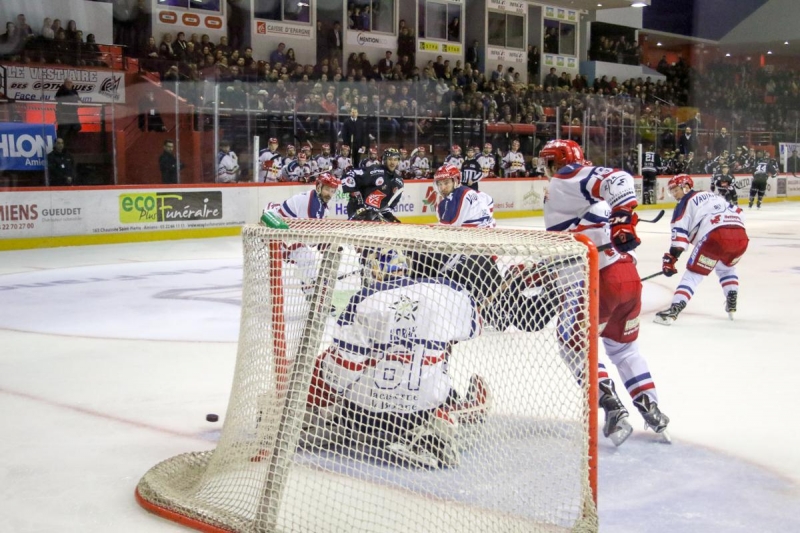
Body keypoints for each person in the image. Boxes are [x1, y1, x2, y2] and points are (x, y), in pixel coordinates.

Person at [305, 248, 489, 468]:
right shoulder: (448, 292)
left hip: (364, 416)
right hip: (422, 410)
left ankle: (331, 419)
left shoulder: (365, 299)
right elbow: (475, 328)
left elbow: (344, 368)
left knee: (336, 364)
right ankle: (442, 419)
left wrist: (324, 392)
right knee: (439, 353)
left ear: (376, 270)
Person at [539, 139, 669, 446]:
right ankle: (651, 408)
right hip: (628, 280)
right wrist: (623, 218)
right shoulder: (590, 199)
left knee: (573, 345)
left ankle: (610, 405)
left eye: (547, 162)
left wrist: (624, 218)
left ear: (555, 162)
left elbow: (618, 178)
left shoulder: (565, 178)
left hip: (594, 282)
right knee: (623, 350)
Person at [655, 174, 748, 324]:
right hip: (741, 237)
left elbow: (679, 238)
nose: (673, 194)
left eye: (675, 190)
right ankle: (732, 301)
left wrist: (671, 259)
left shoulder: (684, 203)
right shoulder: (713, 196)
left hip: (715, 237)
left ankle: (673, 311)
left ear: (686, 187)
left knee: (693, 274)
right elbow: (740, 213)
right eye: (671, 191)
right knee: (726, 268)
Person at [342, 148, 404, 222]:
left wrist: (389, 216)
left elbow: (387, 205)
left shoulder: (398, 182)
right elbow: (350, 174)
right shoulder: (375, 171)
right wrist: (359, 201)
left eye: (395, 159)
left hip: (374, 214)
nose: (393, 162)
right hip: (359, 209)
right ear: (384, 160)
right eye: (390, 159)